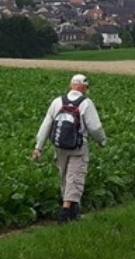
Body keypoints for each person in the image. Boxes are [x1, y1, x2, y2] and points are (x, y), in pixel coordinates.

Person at [32, 73, 107, 221]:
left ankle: (73, 212)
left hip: (60, 146)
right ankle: (65, 211)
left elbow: (46, 125)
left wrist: (38, 147)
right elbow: (95, 127)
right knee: (76, 176)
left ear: (70, 85)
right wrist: (102, 141)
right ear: (83, 87)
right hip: (78, 146)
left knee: (65, 176)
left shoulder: (57, 102)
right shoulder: (86, 103)